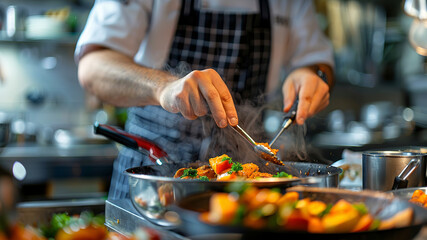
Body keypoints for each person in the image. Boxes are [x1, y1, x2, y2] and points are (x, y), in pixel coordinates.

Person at [75, 0, 335, 199]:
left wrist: (312, 74)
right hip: (155, 173)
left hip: (245, 183)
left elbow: (317, 60)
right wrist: (164, 87)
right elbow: (93, 67)